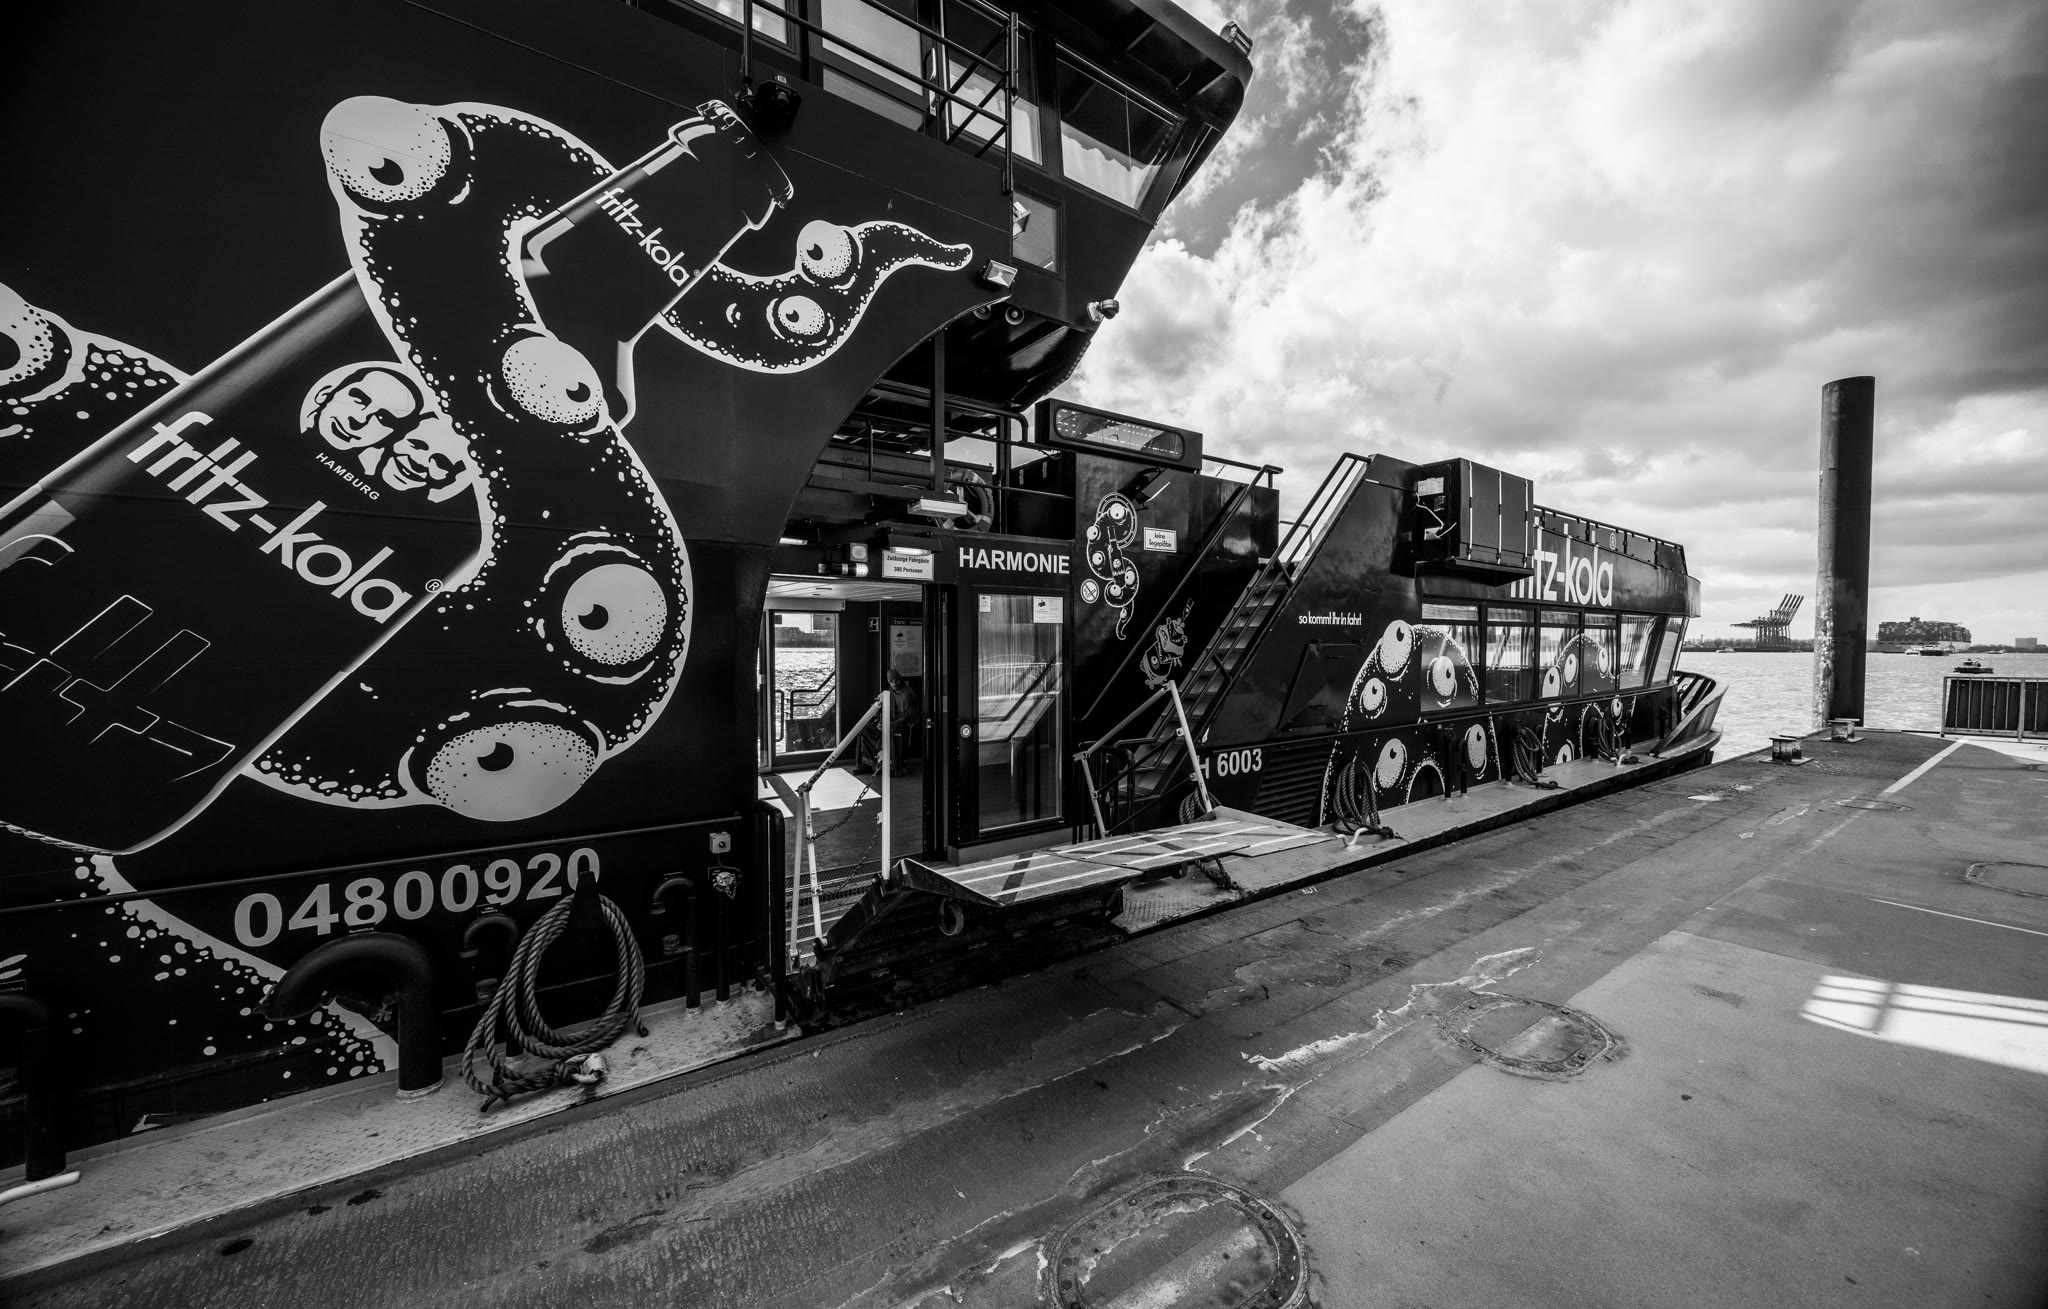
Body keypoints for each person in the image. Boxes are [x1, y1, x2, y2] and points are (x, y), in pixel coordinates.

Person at [886, 669, 920, 775]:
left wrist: (891, 724)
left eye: (896, 680)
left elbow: (909, 716)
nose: (894, 684)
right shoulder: (890, 692)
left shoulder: (907, 693)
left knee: (893, 732)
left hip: (906, 725)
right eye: (891, 682)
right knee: (866, 732)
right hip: (892, 723)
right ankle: (866, 764)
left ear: (900, 680)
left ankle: (896, 767)